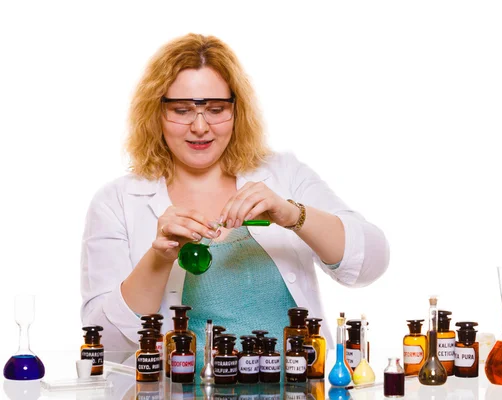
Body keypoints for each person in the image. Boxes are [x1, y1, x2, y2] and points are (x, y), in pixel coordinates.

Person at [80, 33, 389, 358]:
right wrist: (159, 258)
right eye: (182, 110)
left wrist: (292, 215)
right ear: (156, 113)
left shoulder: (284, 174)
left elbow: (370, 263)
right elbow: (103, 347)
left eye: (215, 109)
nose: (200, 127)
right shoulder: (116, 202)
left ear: (237, 111)